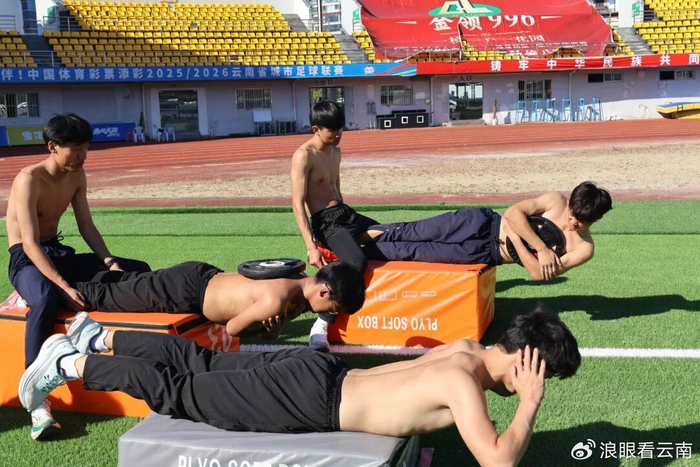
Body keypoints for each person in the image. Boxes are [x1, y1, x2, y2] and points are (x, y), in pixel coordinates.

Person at [19, 307, 580, 466]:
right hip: (310, 399)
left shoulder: (467, 348)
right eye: (541, 374)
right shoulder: (464, 382)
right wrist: (529, 406)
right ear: (527, 359)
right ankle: (71, 363)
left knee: (198, 363)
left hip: (318, 374)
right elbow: (498, 462)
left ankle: (99, 336)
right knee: (179, 393)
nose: (535, 386)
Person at [5, 113, 151, 440]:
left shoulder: (77, 174)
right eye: (76, 148)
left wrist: (110, 262)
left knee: (136, 269)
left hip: (58, 253)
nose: (84, 155)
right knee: (45, 298)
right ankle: (36, 397)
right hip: (27, 259)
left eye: (86, 147)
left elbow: (86, 226)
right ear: (53, 147)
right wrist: (62, 285)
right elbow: (29, 243)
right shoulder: (28, 179)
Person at [74, 260, 365, 339]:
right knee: (106, 298)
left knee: (128, 284)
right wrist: (275, 327)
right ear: (325, 292)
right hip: (185, 291)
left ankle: (82, 270)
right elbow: (233, 328)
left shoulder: (298, 277)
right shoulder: (278, 301)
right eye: (334, 308)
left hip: (202, 275)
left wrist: (275, 328)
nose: (330, 313)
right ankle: (61, 285)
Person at [291, 100, 378, 349]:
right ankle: (323, 320)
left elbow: (336, 189)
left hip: (345, 214)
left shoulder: (336, 151)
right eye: (332, 130)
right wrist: (311, 247)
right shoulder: (304, 155)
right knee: (357, 261)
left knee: (388, 235)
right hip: (325, 223)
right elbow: (297, 204)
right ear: (316, 129)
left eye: (341, 128)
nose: (338, 134)